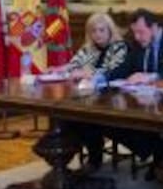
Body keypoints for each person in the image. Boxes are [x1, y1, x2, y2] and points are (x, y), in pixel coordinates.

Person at [106, 8, 163, 165]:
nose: (137, 37)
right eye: (134, 32)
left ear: (154, 27)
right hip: (142, 103)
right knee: (111, 122)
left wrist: (152, 77)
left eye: (141, 32)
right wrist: (101, 77)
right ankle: (158, 156)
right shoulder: (137, 43)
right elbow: (123, 69)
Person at [49, 12, 128, 171]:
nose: (97, 34)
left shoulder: (119, 47)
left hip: (112, 98)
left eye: (101, 30)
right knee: (66, 115)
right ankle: (65, 157)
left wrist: (86, 73)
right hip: (88, 96)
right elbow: (73, 65)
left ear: (110, 30)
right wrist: (59, 69)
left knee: (87, 118)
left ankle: (94, 159)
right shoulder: (88, 48)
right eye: (93, 31)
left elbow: (113, 70)